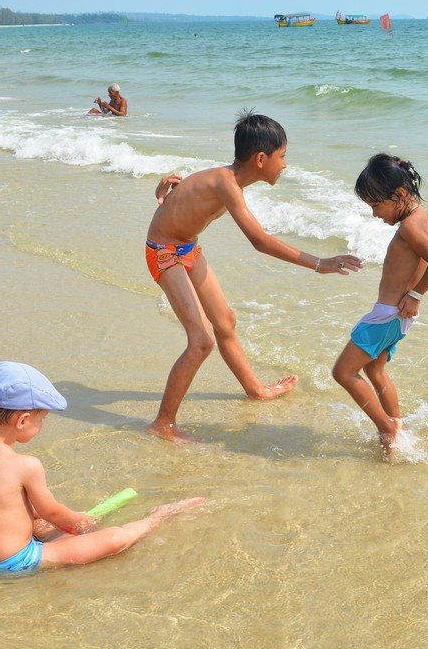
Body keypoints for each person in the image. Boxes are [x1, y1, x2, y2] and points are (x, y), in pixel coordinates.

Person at [145, 110, 363, 443]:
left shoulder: (227, 181)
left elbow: (184, 192)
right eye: (282, 157)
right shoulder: (227, 184)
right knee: (202, 340)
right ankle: (163, 423)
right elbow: (259, 241)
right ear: (261, 159)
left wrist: (169, 185)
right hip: (163, 251)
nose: (285, 164)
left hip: (187, 248)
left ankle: (256, 390)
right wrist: (320, 263)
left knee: (226, 322)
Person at [0, 361, 204, 573]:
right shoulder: (24, 465)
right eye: (41, 419)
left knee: (42, 524)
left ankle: (56, 534)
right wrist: (80, 521)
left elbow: (0, 501)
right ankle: (158, 516)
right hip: (16, 561)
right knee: (113, 539)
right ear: (22, 420)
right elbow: (52, 512)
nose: (41, 426)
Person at [331, 154, 428, 460]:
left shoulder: (410, 228)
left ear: (399, 195)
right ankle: (397, 426)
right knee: (375, 370)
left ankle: (386, 428)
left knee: (343, 372)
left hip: (386, 316)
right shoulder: (420, 216)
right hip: (397, 318)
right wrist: (413, 296)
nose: (374, 214)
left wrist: (415, 294)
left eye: (376, 205)